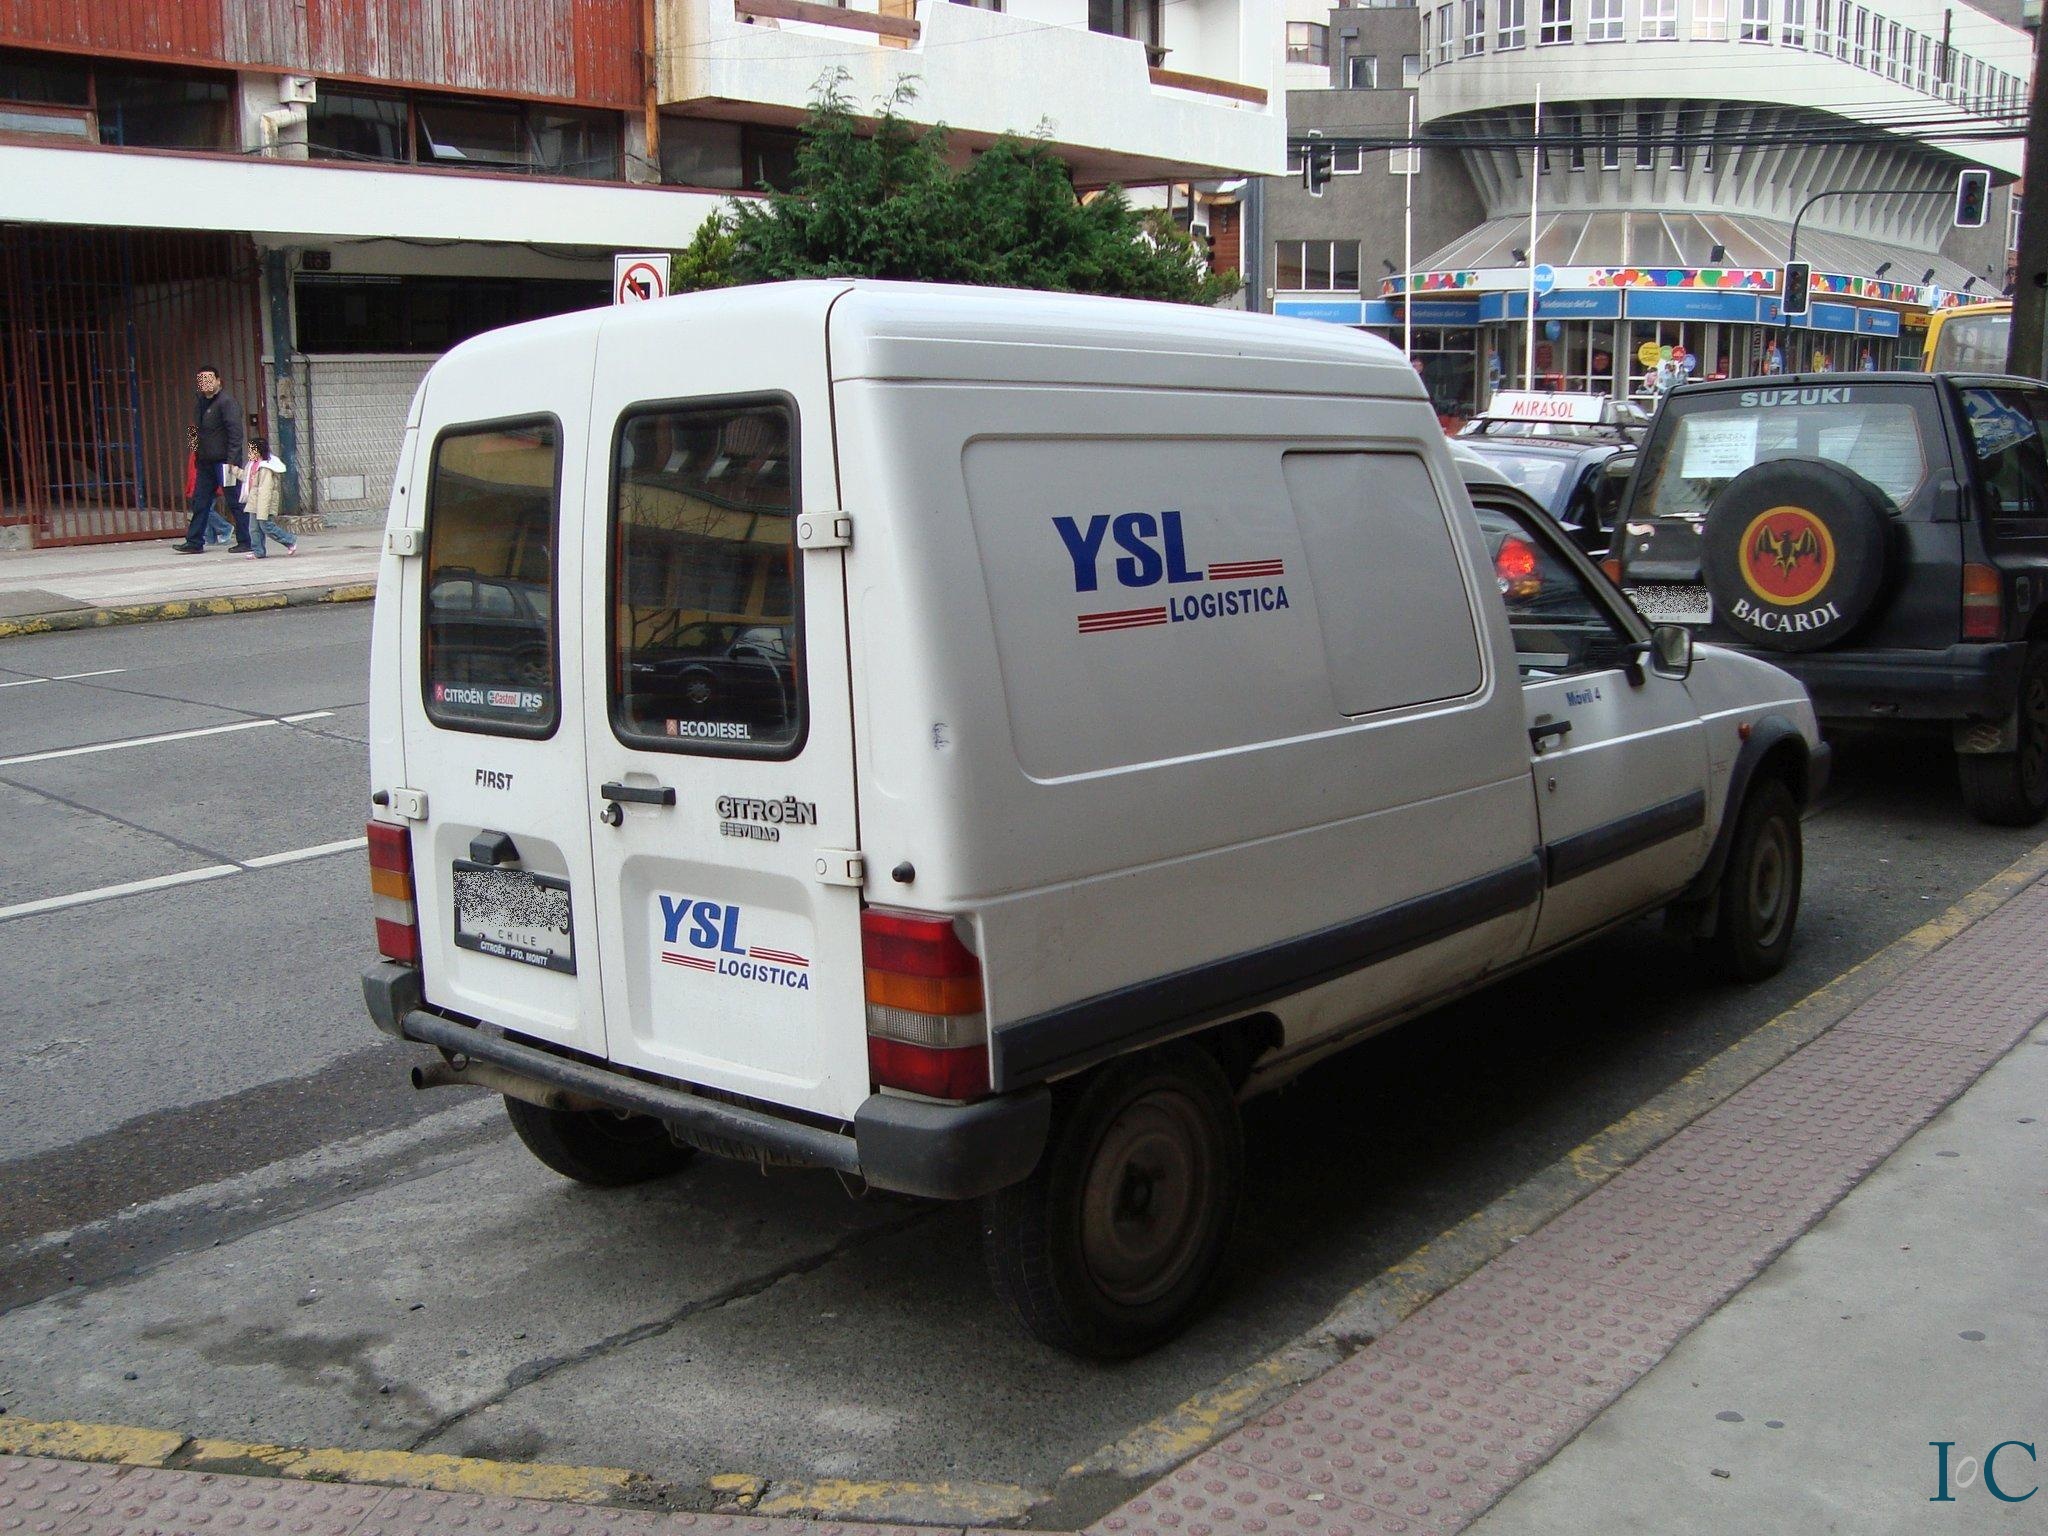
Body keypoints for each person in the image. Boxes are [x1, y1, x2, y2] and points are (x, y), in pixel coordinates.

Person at [172, 365, 248, 555]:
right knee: (200, 501)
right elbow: (194, 430)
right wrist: (195, 455)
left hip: (224, 462)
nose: (205, 383)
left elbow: (236, 434)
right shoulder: (199, 403)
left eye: (209, 378)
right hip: (205, 462)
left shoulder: (227, 402)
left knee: (235, 501)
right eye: (202, 379)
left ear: (218, 381)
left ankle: (247, 540)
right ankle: (194, 542)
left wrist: (232, 461)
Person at [238, 437, 298, 559]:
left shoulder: (266, 468)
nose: (249, 453)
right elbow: (246, 477)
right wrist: (233, 470)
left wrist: (263, 509)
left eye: (252, 450)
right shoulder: (252, 465)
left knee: (266, 526)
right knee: (254, 529)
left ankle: (289, 540)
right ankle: (258, 551)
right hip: (254, 502)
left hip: (263, 503)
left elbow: (265, 491)